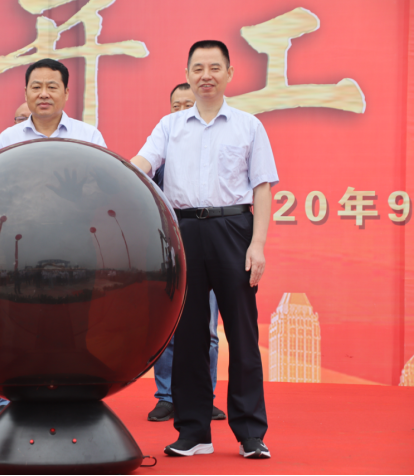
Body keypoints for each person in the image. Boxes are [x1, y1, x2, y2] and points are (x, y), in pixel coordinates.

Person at [131, 40, 277, 459]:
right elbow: (143, 164)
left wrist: (258, 245)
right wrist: (113, 172)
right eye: (198, 68)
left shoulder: (248, 126)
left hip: (234, 229)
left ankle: (250, 433)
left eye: (215, 67)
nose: (206, 75)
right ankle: (193, 431)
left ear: (229, 73)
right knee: (189, 334)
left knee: (243, 335)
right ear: (188, 74)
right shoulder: (170, 126)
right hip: (184, 232)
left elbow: (262, 188)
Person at [0, 58, 106, 420]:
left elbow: (103, 194)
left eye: (52, 86)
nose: (44, 94)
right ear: (25, 92)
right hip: (22, 247)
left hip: (76, 246)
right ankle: (10, 398)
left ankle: (74, 396)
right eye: (36, 86)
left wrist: (76, 200)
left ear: (66, 92)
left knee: (74, 324)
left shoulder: (88, 137)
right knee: (20, 323)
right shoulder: (8, 139)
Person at [148, 83, 225, 423]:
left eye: (187, 105)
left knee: (208, 332)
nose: (181, 111)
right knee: (167, 330)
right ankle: (166, 396)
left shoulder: (213, 155)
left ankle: (204, 397)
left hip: (208, 250)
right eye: (175, 106)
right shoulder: (157, 158)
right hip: (167, 256)